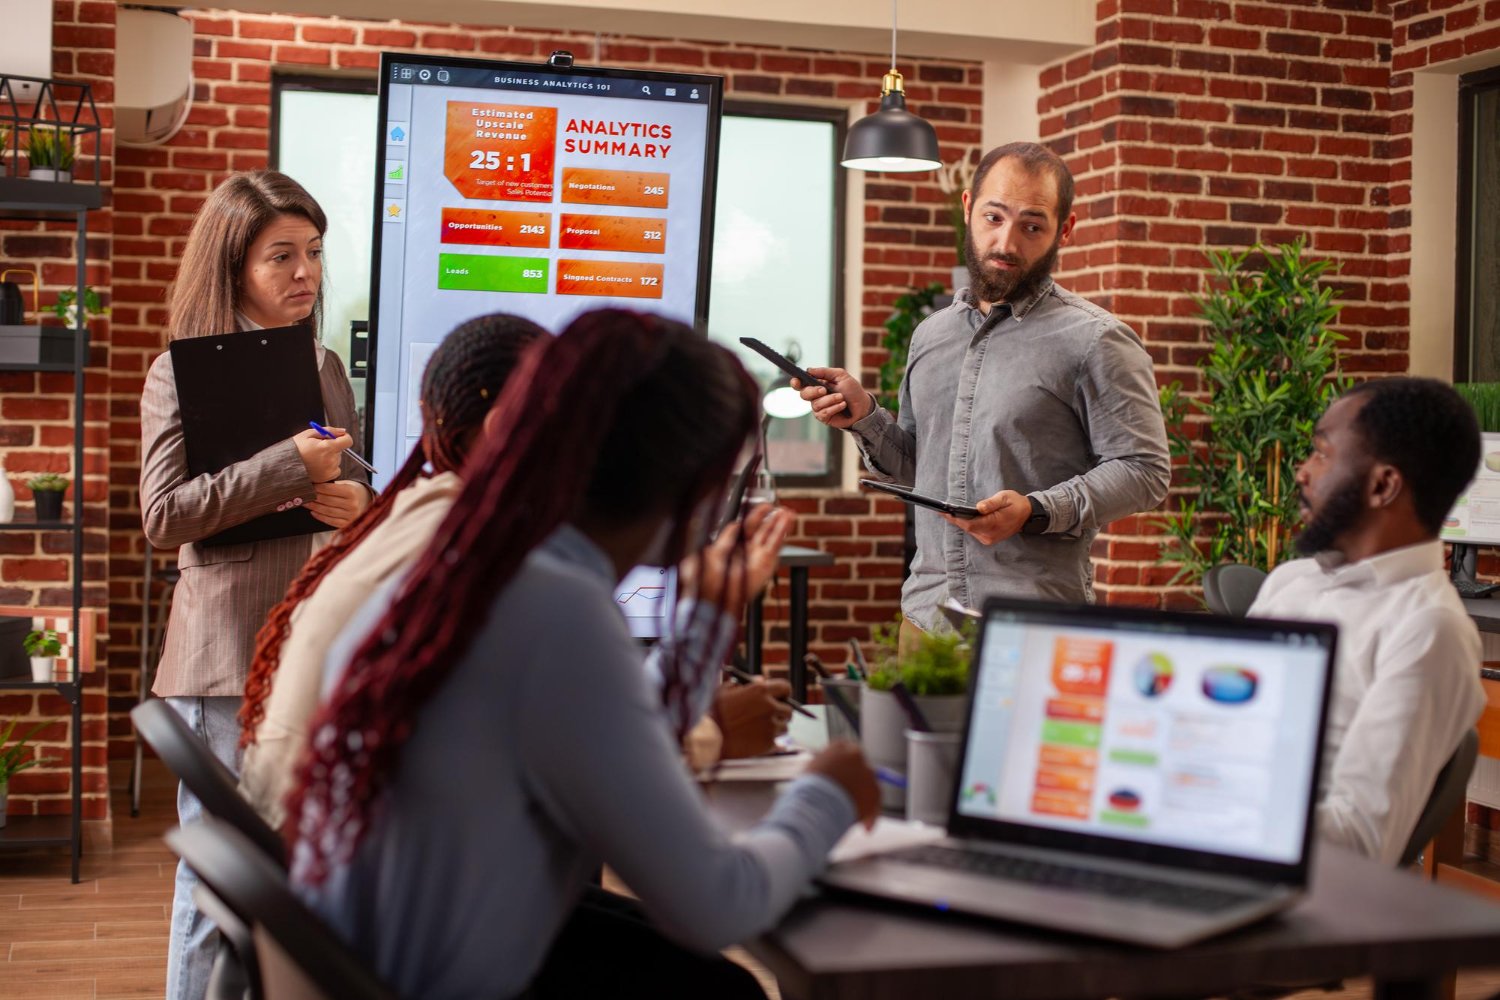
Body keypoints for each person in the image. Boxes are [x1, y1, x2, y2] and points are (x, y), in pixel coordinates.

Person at [289, 309, 879, 1000]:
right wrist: (829, 792)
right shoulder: (554, 611)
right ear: (687, 486)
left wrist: (703, 620)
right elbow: (719, 904)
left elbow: (608, 750)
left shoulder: (482, 563)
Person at [237, 312, 793, 829]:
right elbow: (595, 766)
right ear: (507, 426)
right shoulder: (485, 558)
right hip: (346, 888)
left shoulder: (430, 515)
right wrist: (709, 731)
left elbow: (555, 725)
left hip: (314, 872)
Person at [139, 169, 371, 1000]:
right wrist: (286, 467)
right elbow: (164, 516)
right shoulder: (180, 372)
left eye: (312, 253)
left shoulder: (325, 365)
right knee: (220, 886)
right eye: (281, 256)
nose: (304, 272)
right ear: (234, 263)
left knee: (301, 883)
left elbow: (355, 488)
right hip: (226, 661)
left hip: (313, 654)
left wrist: (355, 503)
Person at [801, 142, 1170, 632]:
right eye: (994, 218)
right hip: (926, 617)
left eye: (1032, 226)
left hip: (1031, 624)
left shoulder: (1096, 340)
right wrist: (865, 415)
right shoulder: (931, 335)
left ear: (1066, 230)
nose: (1007, 243)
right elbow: (921, 470)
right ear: (969, 209)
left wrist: (1035, 510)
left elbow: (1145, 471)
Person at [1249, 377, 1486, 865]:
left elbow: (1359, 841)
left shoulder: (1428, 628)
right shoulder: (1292, 582)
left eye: (1322, 454)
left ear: (1383, 485)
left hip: (1290, 894)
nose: (1301, 472)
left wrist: (1206, 807)